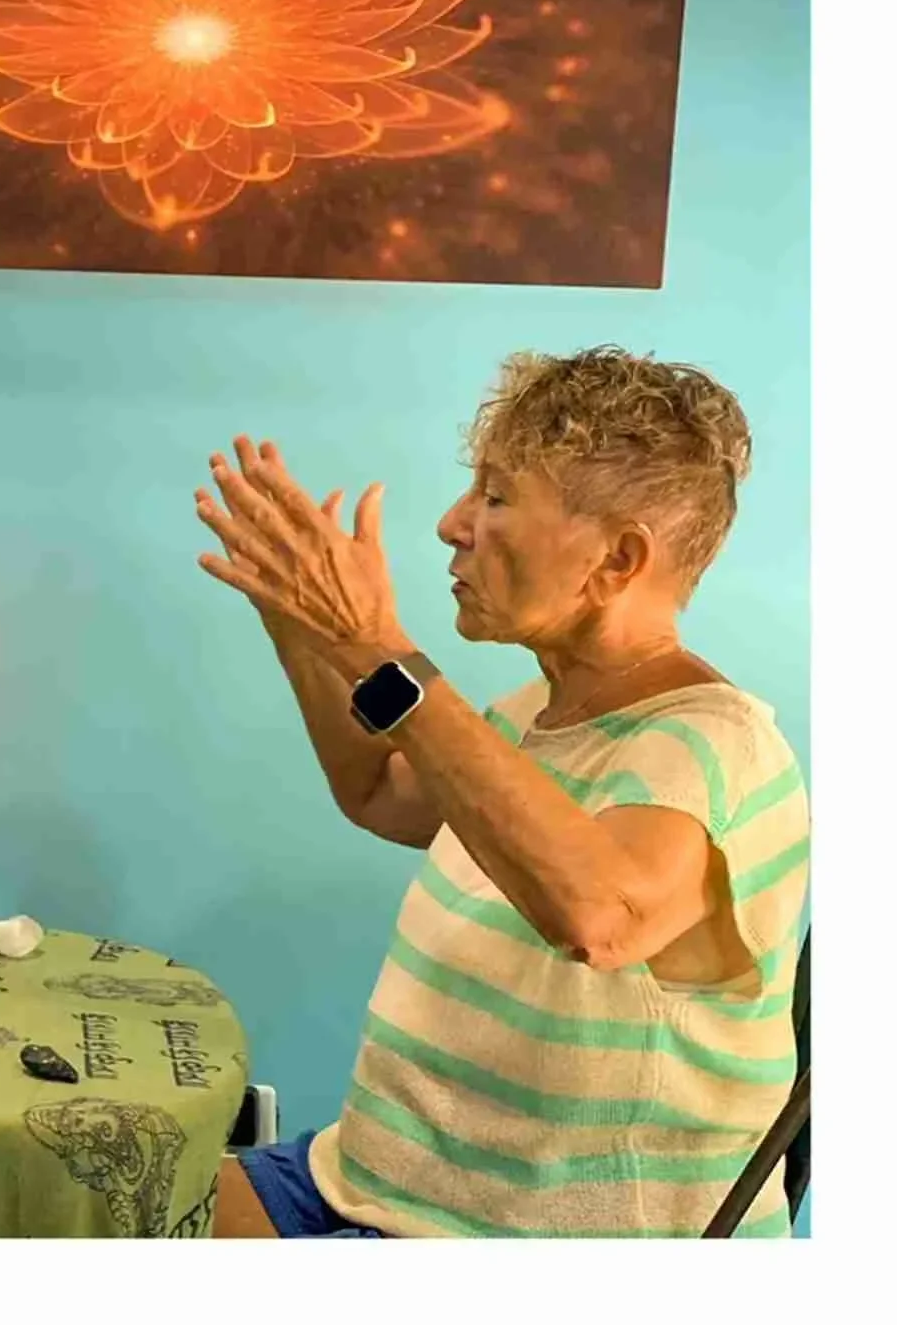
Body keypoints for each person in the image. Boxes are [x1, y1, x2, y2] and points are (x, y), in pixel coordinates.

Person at [196, 348, 808, 1239]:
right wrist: (305, 624)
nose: (452, 523)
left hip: (533, 1242)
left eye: (495, 495)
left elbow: (600, 911)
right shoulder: (537, 713)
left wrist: (372, 647)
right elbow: (379, 787)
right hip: (372, 1181)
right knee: (102, 1212)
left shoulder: (721, 746)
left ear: (617, 558)